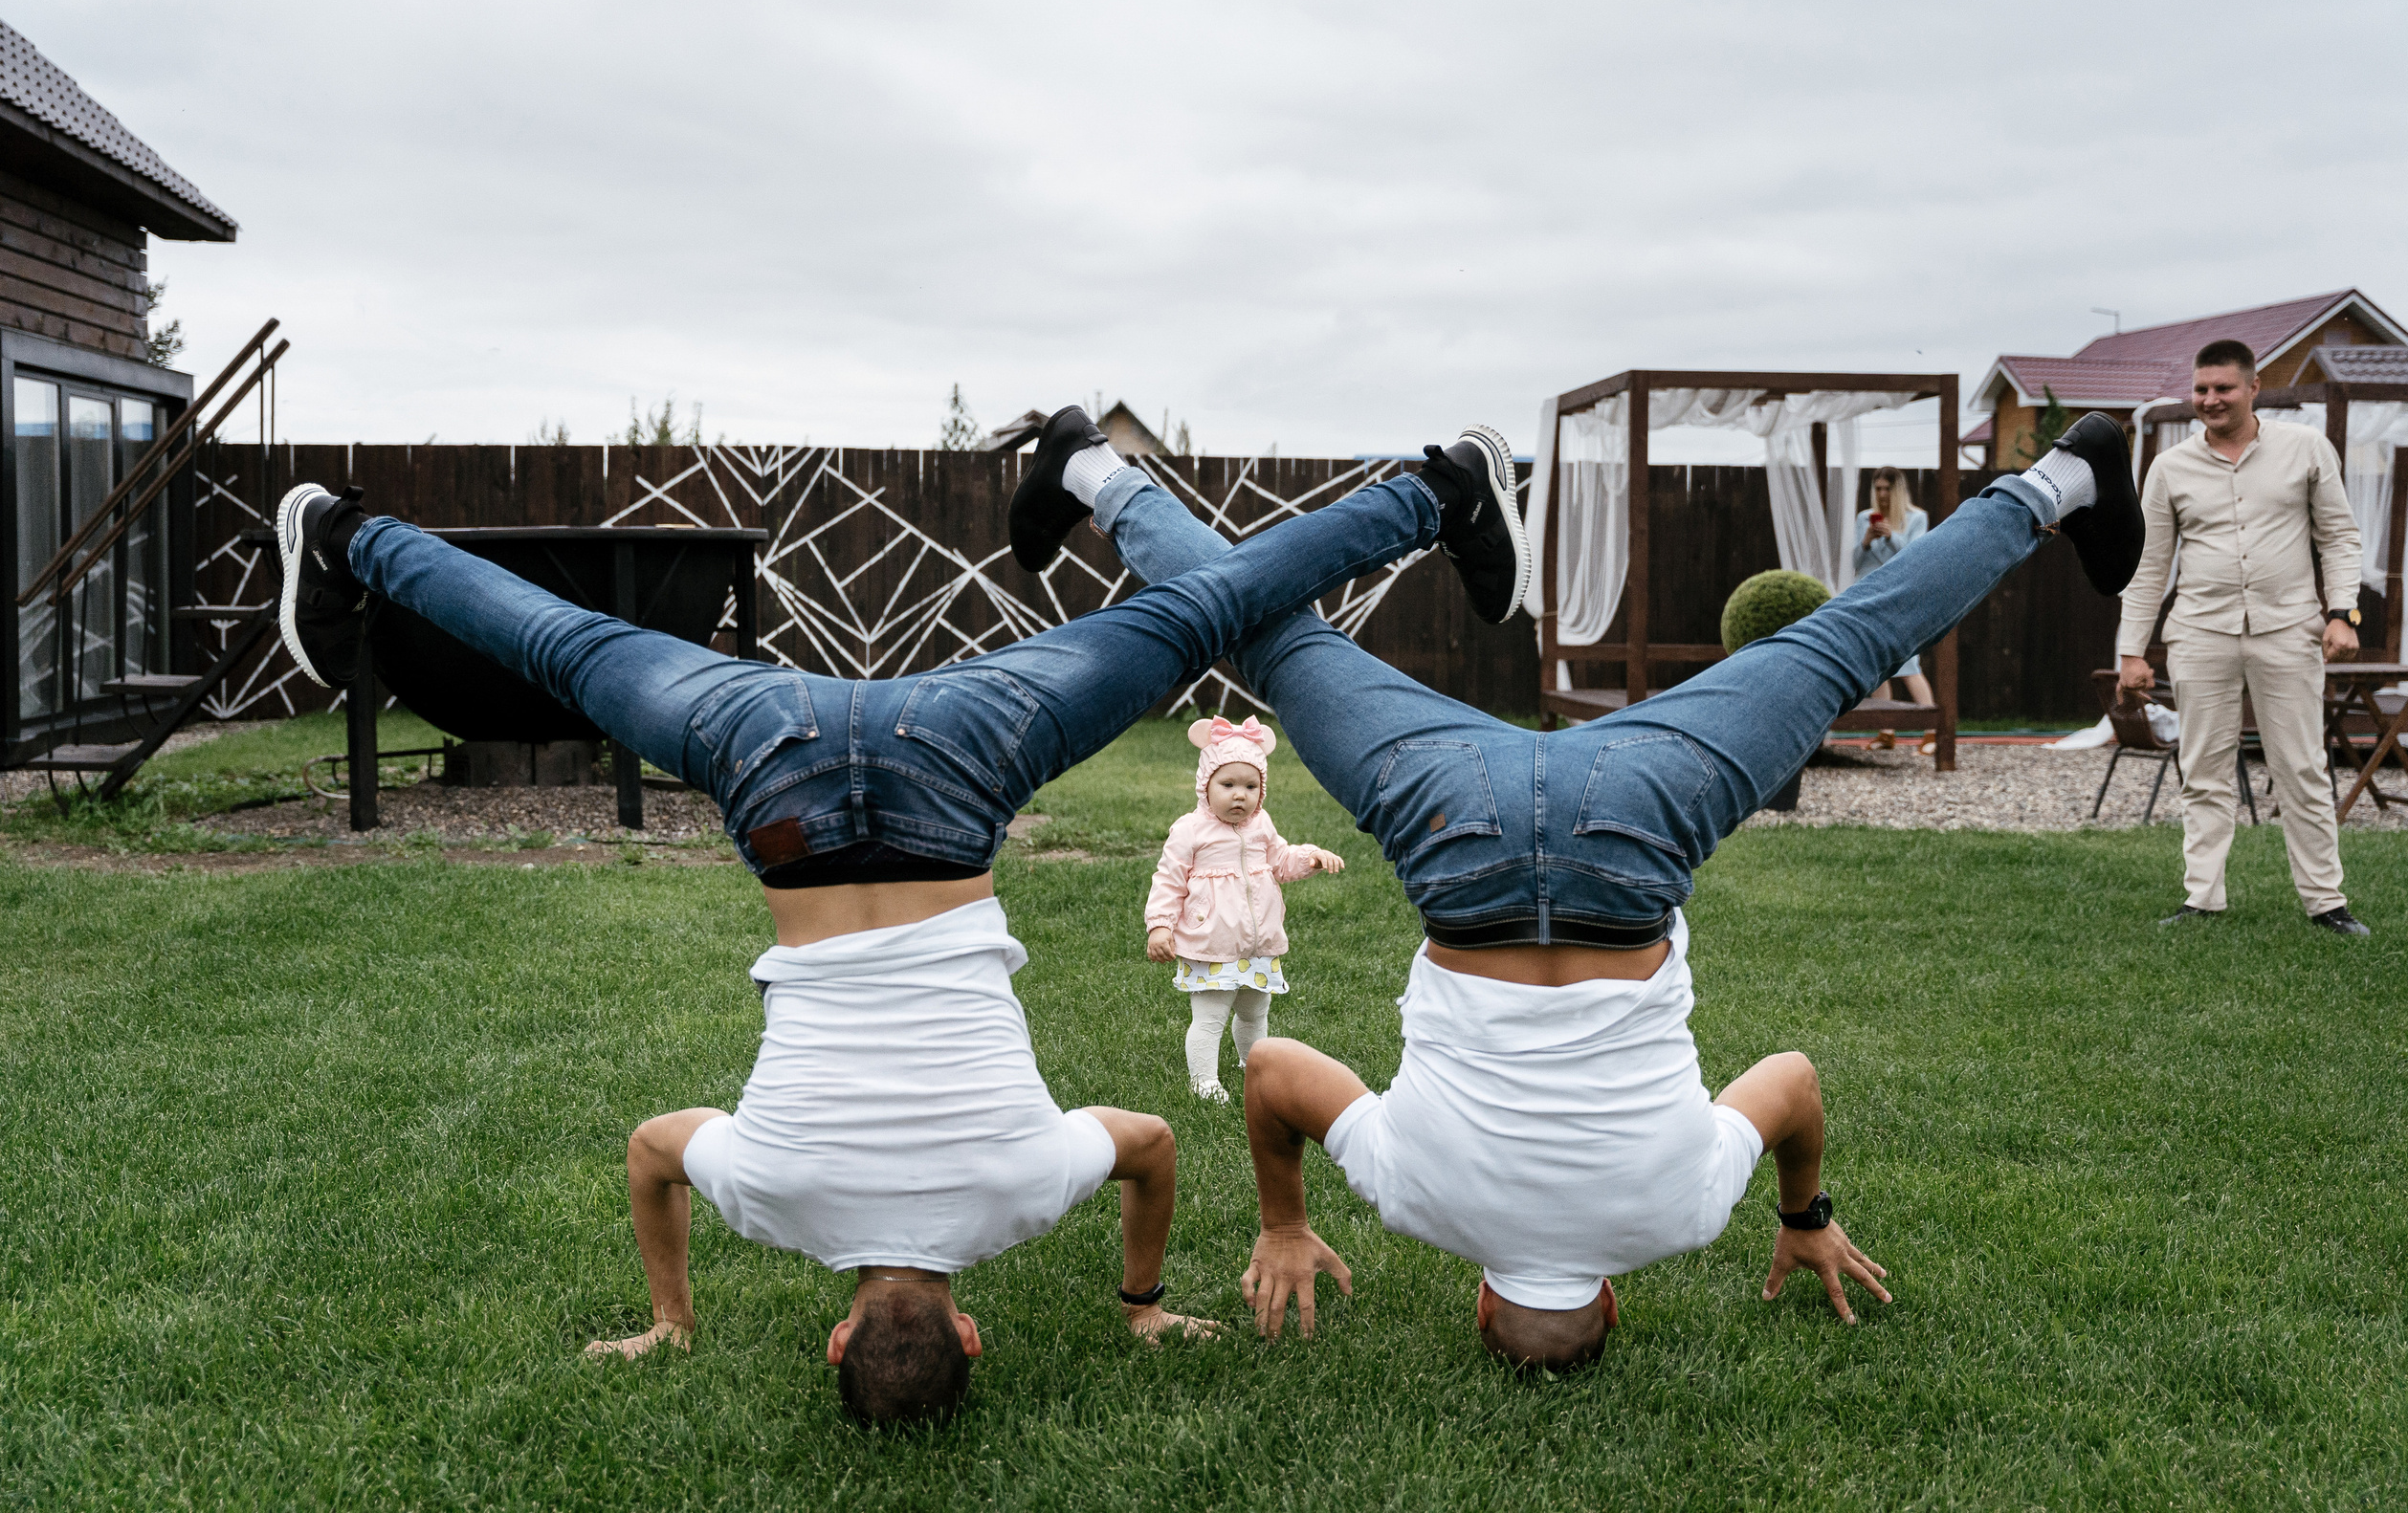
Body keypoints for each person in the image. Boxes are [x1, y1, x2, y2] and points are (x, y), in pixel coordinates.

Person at [268, 424, 1529, 1424]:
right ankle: (345, 533)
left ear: (970, 1327)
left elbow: (1147, 1145)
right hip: (778, 783)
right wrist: (671, 1312)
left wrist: (1141, 1297)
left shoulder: (1020, 1194)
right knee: (568, 643)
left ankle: (1443, 488)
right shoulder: (770, 1196)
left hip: (953, 771)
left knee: (1184, 621)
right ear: (837, 1327)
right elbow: (656, 1149)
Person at [1019, 405, 2146, 1371]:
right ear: (1479, 1300)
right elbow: (1273, 1074)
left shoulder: (1681, 1217)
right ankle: (1089, 465)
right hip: (1457, 833)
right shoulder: (1420, 1203)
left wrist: (1804, 1219)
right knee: (1259, 632)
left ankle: (2062, 475)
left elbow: (1791, 1083)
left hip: (1641, 824)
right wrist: (1281, 1222)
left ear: (1607, 1298)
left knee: (1854, 637)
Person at [2114, 339, 2368, 936]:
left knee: (2302, 767)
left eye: (2223, 388)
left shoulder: (2306, 449)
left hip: (2289, 631)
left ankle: (2326, 903)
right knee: (2202, 769)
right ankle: (2202, 899)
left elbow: (2339, 536)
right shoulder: (2169, 466)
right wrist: (2131, 651)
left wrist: (2343, 613)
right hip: (2200, 634)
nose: (2210, 400)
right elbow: (2150, 565)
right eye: (2201, 390)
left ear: (2254, 387)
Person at [1144, 716, 1346, 1104]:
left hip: (1257, 946)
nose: (1240, 796)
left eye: (1251, 786)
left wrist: (1311, 858)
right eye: (1229, 785)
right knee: (1210, 1017)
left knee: (1255, 1011)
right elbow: (1168, 880)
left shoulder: (1261, 825)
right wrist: (1160, 926)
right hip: (1210, 943)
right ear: (1206, 786)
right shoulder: (1190, 830)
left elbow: (1281, 861)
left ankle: (1253, 1065)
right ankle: (1203, 1081)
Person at [1850, 466, 1936, 753]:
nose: (1882, 494)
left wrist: (1891, 536)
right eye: (1878, 488)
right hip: (1870, 597)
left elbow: (1917, 558)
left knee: (1909, 663)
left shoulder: (1916, 518)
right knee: (1879, 667)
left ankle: (1932, 730)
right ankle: (1886, 732)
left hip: (1901, 599)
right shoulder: (1864, 518)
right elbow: (1853, 563)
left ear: (1898, 490)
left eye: (1887, 488)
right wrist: (1865, 541)